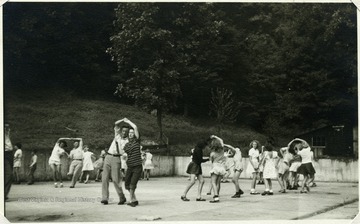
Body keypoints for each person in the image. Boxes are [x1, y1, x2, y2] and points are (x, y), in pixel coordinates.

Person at [101, 118, 129, 205]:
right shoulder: (117, 135)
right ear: (121, 131)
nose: (124, 132)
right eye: (123, 131)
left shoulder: (128, 141)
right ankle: (104, 198)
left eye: (126, 131)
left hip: (117, 159)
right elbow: (116, 123)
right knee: (104, 178)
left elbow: (125, 153)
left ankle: (122, 197)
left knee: (115, 179)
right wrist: (123, 120)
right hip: (108, 157)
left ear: (128, 133)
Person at [181, 137, 211, 202]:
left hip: (196, 165)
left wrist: (210, 138)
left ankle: (198, 196)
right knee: (192, 181)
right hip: (195, 165)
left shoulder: (197, 148)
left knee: (202, 181)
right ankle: (183, 195)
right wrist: (208, 159)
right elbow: (200, 160)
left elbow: (205, 140)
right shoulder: (199, 150)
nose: (205, 147)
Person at [123, 118, 142, 207]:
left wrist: (128, 121)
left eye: (132, 133)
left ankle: (131, 200)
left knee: (132, 184)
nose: (131, 134)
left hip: (137, 166)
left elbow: (135, 127)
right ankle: (134, 199)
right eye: (129, 133)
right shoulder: (126, 145)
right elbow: (125, 155)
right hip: (130, 166)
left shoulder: (137, 141)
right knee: (127, 184)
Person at [208, 135, 226, 203]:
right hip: (222, 167)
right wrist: (215, 136)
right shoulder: (222, 151)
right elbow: (221, 141)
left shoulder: (212, 153)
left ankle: (216, 196)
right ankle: (217, 194)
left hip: (215, 166)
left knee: (213, 182)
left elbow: (212, 162)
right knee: (218, 183)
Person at [4, 123, 14, 200]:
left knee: (9, 175)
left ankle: (4, 194)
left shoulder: (7, 134)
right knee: (9, 174)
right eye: (5, 127)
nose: (7, 129)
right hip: (4, 154)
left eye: (8, 127)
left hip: (9, 154)